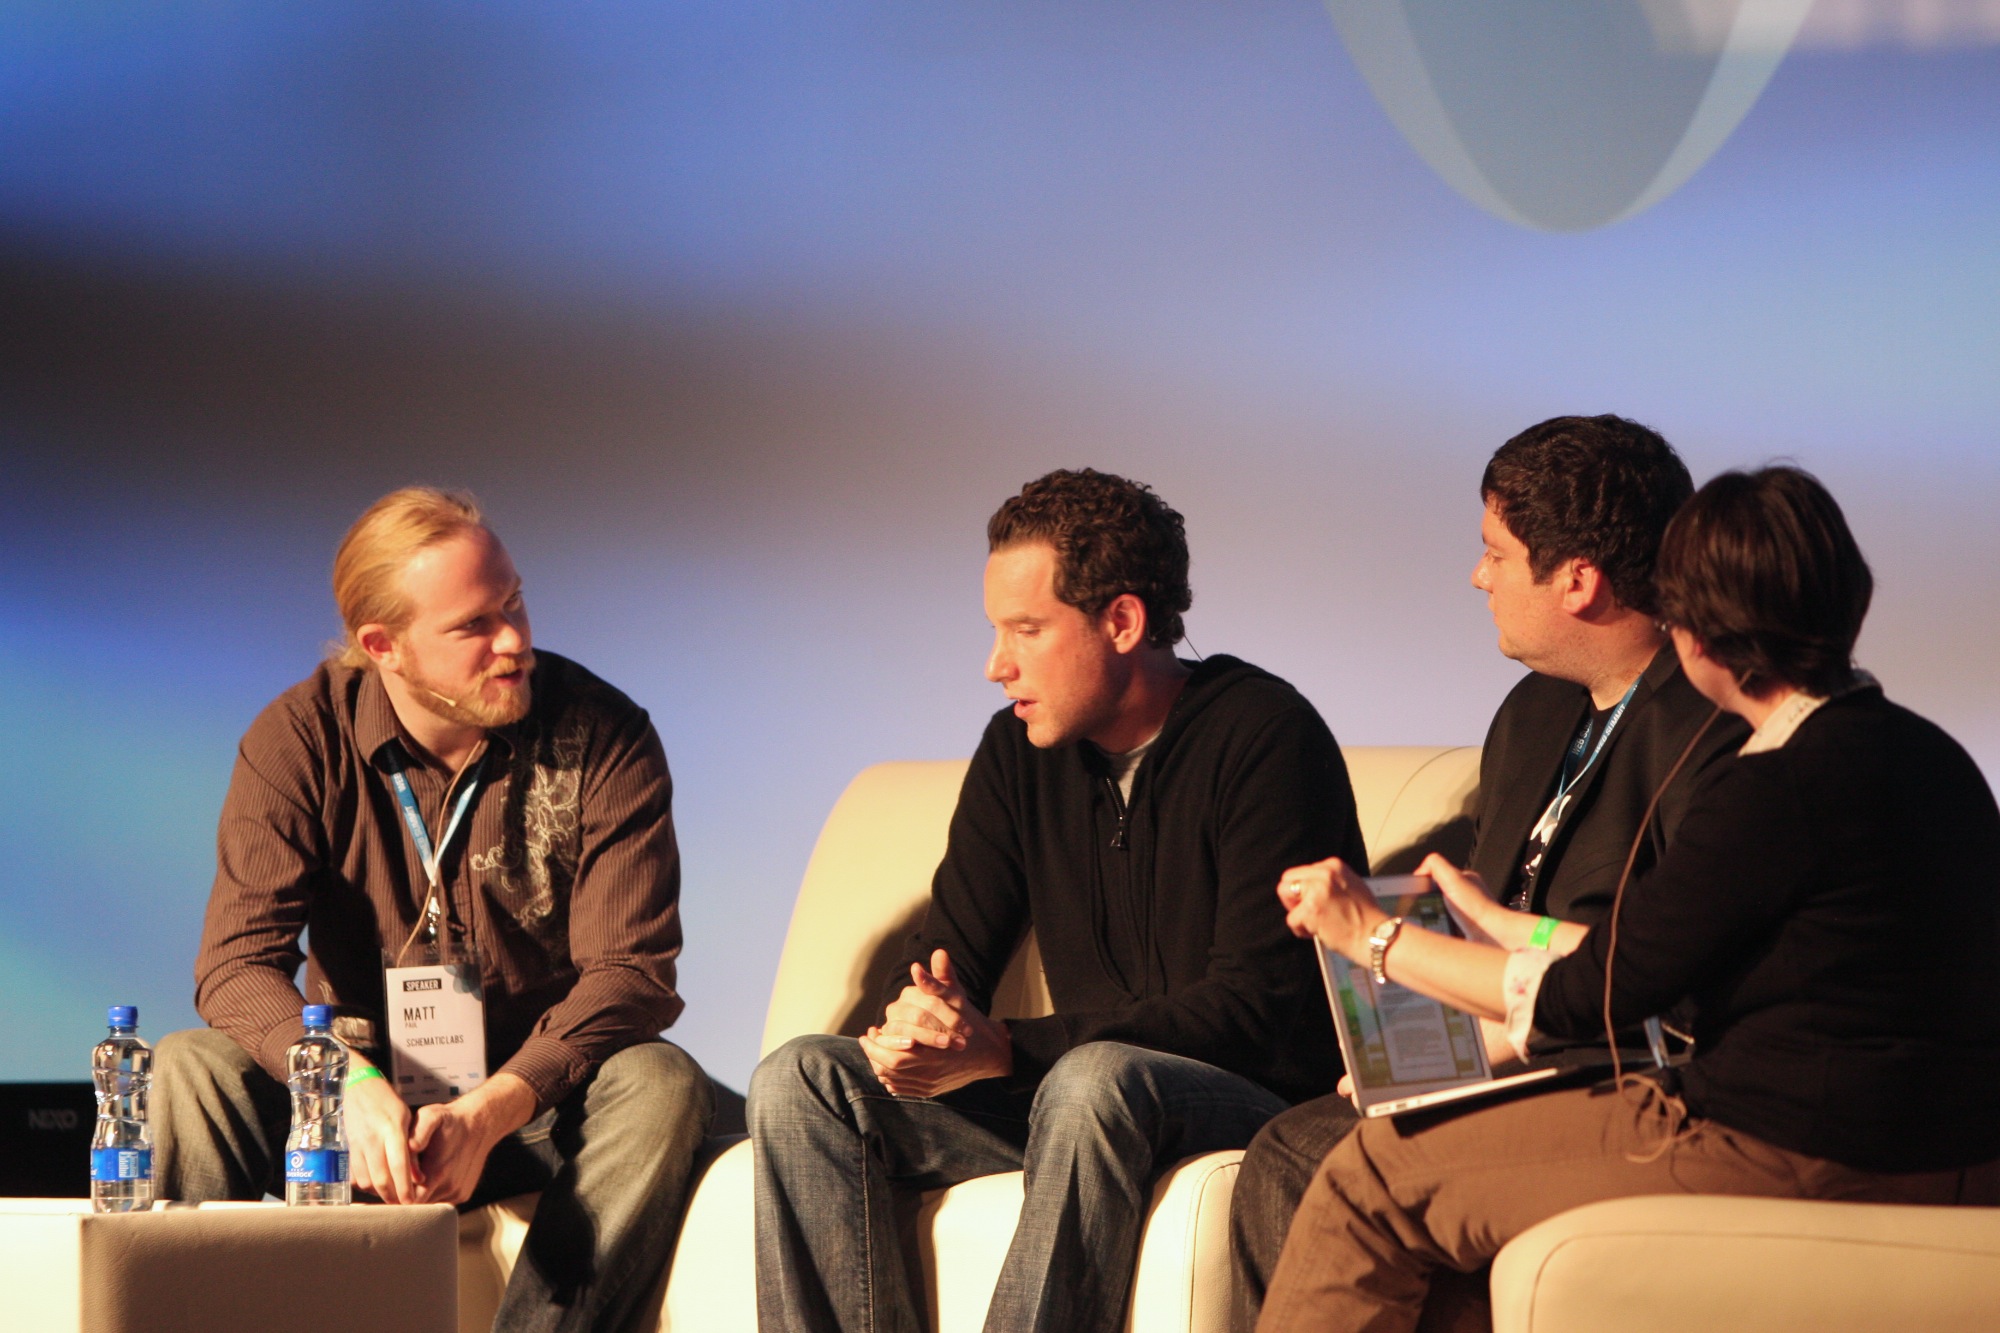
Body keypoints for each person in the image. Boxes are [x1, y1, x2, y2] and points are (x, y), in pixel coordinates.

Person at [1259, 465, 2000, 1332]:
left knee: (1371, 1178)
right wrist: (1499, 923)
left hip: (1802, 1146)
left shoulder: (1773, 786)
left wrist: (1371, 934)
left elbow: (1593, 998)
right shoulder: (1932, 756)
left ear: (1695, 633)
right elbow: (1657, 951)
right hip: (1960, 1148)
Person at [748, 468, 1367, 1333]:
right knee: (802, 1079)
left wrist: (1008, 1047)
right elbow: (947, 947)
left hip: (1248, 1096)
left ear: (1123, 621)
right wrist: (914, 1022)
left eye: (1027, 630)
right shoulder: (1018, 751)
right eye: (995, 630)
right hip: (1074, 1099)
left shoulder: (1264, 734)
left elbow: (1254, 1009)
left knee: (1092, 1078)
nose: (995, 664)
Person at [1229, 415, 1747, 1331]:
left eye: (1496, 554)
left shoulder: (1708, 727)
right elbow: (1492, 906)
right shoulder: (1532, 711)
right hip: (1497, 1046)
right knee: (1300, 1136)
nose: (1479, 576)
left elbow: (1665, 979)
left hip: (1613, 1069)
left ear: (1578, 580)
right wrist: (1412, 1045)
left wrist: (1457, 1037)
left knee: (1303, 1154)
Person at [155, 487, 713, 1333]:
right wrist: (343, 1082)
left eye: (515, 602)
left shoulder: (604, 733)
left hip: (529, 1108)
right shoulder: (299, 740)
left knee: (661, 1082)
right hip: (354, 1110)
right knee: (191, 1067)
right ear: (384, 646)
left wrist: (493, 1107)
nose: (514, 640)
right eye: (474, 625)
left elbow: (631, 974)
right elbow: (235, 965)